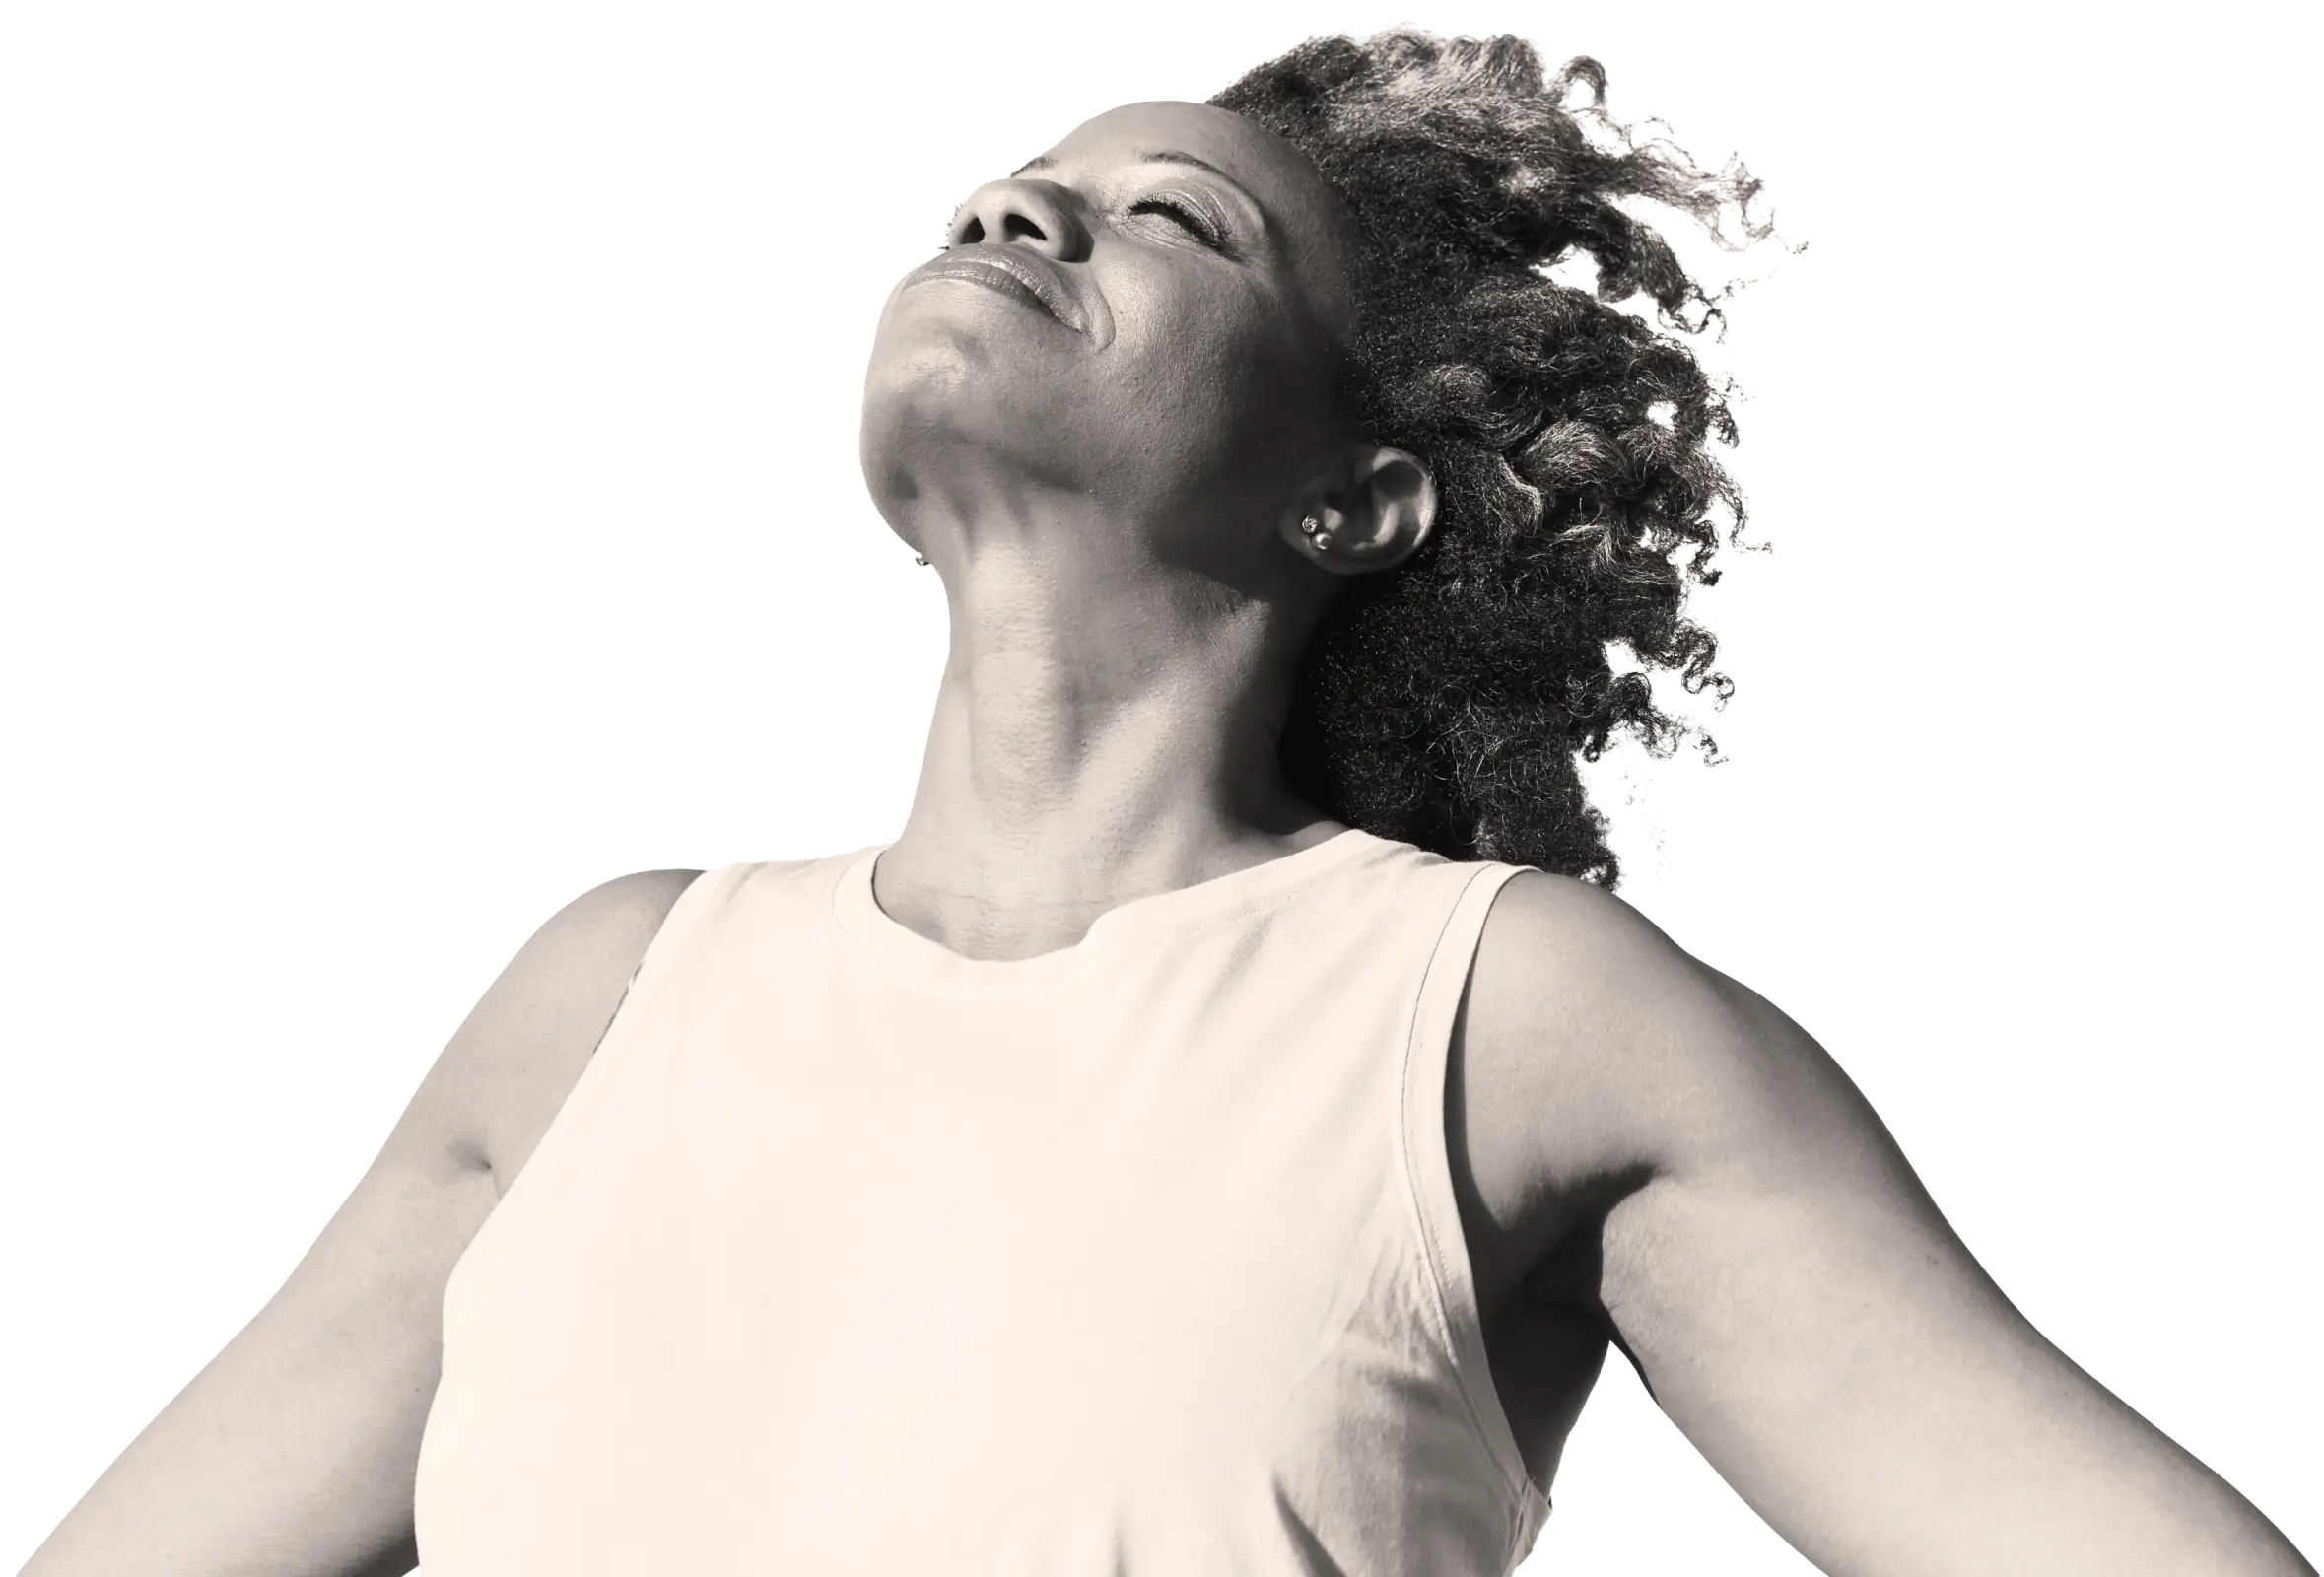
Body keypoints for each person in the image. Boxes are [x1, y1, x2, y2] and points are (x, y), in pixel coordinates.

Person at [19, 25, 2310, 1577]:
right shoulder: (610, 989)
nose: (1025, 212)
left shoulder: (1497, 1017)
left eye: (1173, 223)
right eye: (1012, 188)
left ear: (1360, 501)